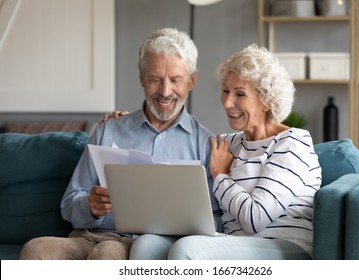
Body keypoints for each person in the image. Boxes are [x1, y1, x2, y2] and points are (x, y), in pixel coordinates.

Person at [99, 45, 322, 259]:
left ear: (266, 100)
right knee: (147, 245)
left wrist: (221, 176)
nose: (227, 102)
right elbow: (177, 146)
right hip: (228, 242)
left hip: (283, 246)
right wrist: (125, 123)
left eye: (240, 94)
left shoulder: (292, 144)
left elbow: (256, 219)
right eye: (225, 91)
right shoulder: (228, 143)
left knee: (188, 250)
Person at [19, 27, 221, 260]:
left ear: (192, 80)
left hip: (144, 246)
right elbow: (70, 202)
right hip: (89, 236)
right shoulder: (109, 130)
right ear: (142, 79)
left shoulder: (205, 144)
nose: (165, 91)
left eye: (176, 80)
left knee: (107, 253)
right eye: (155, 79)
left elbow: (215, 219)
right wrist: (90, 206)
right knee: (36, 249)